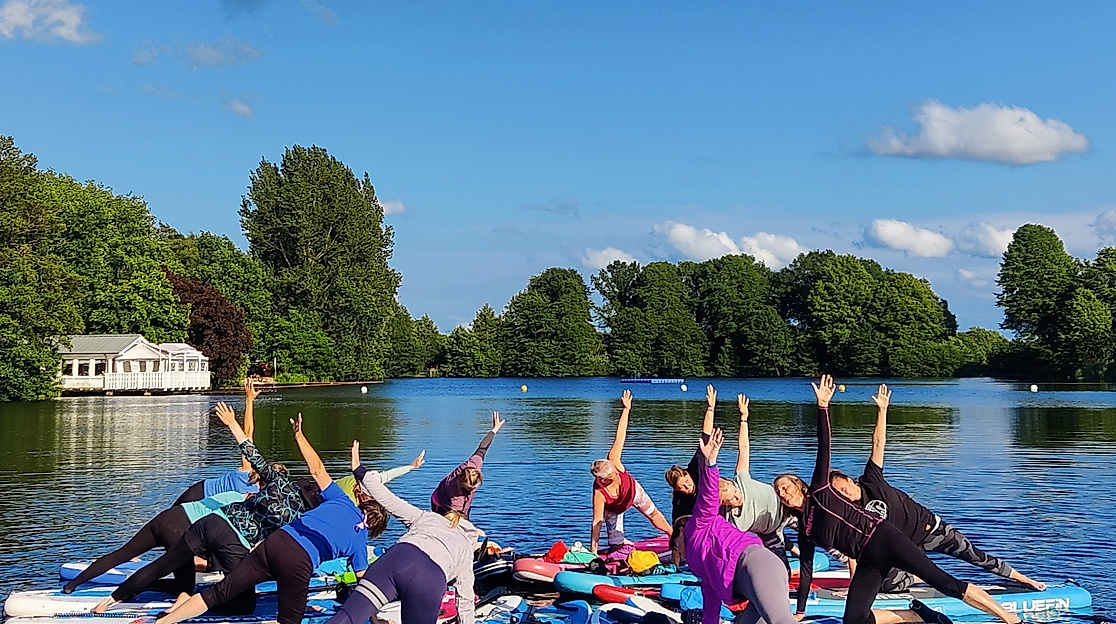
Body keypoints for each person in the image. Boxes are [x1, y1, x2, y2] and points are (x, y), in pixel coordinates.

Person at [773, 375, 1020, 624]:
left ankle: (1010, 619)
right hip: (868, 560)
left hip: (884, 538)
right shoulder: (805, 530)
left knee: (945, 583)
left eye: (785, 486)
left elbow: (824, 446)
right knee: (854, 620)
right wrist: (800, 612)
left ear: (798, 484)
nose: (783, 492)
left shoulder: (820, 490)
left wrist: (823, 406)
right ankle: (915, 615)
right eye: (778, 491)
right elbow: (806, 570)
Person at [153, 415, 388, 624]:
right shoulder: (360, 541)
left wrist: (299, 436)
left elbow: (317, 469)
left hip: (275, 543)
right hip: (297, 561)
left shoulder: (340, 499)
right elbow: (364, 586)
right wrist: (375, 620)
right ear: (374, 529)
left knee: (219, 593)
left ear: (362, 504)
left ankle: (165, 621)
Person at [93, 402, 310, 614]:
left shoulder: (279, 483)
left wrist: (232, 423)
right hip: (233, 541)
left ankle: (108, 601)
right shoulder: (300, 516)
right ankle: (190, 605)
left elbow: (253, 454)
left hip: (212, 522)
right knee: (243, 604)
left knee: (162, 565)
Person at [829, 384, 1045, 593]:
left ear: (849, 480)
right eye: (838, 494)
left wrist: (882, 410)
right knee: (885, 584)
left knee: (974, 555)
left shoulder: (871, 480)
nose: (843, 493)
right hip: (904, 548)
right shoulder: (853, 513)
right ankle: (917, 576)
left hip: (930, 529)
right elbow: (855, 552)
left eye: (842, 488)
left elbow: (878, 443)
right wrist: (854, 587)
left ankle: (1024, 579)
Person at [325, 439, 481, 624]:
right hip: (429, 578)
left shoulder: (428, 517)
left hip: (398, 558)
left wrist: (360, 472)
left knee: (347, 617)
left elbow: (390, 501)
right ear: (471, 534)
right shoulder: (466, 549)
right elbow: (465, 601)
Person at [674, 427, 798, 624]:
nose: (678, 552)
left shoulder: (698, 524)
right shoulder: (701, 566)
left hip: (755, 564)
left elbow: (708, 496)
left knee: (782, 622)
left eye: (675, 545)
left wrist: (710, 464)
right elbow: (711, 607)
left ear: (681, 532)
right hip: (750, 581)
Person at [62, 489, 248, 594]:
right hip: (179, 531)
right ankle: (141, 586)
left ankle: (72, 585)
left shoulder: (232, 494)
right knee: (184, 588)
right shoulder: (242, 510)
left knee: (124, 553)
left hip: (168, 517)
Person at [590, 390, 672, 553]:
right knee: (616, 546)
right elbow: (597, 522)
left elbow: (620, 435)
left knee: (653, 515)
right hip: (614, 508)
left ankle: (674, 535)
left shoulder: (613, 460)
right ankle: (622, 544)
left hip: (633, 493)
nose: (617, 474)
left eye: (615, 471)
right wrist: (593, 551)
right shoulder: (600, 493)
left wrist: (626, 409)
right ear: (603, 480)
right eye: (613, 475)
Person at [172, 380, 263, 506]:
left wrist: (249, 399)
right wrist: (249, 400)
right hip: (201, 494)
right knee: (171, 517)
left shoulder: (251, 478)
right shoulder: (248, 473)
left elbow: (248, 432)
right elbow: (247, 433)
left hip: (201, 492)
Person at [430, 412, 504, 519]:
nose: (473, 489)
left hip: (459, 504)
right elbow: (456, 517)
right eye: (470, 488)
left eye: (475, 486)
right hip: (441, 504)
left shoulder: (474, 465)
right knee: (450, 525)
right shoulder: (455, 495)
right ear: (462, 483)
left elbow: (482, 449)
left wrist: (494, 429)